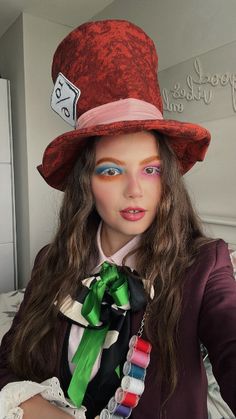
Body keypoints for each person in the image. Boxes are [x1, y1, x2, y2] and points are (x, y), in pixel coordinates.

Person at [0, 19, 236, 419]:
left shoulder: (205, 263)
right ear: (86, 183)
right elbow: (7, 365)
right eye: (111, 170)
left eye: (151, 169)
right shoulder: (48, 261)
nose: (134, 189)